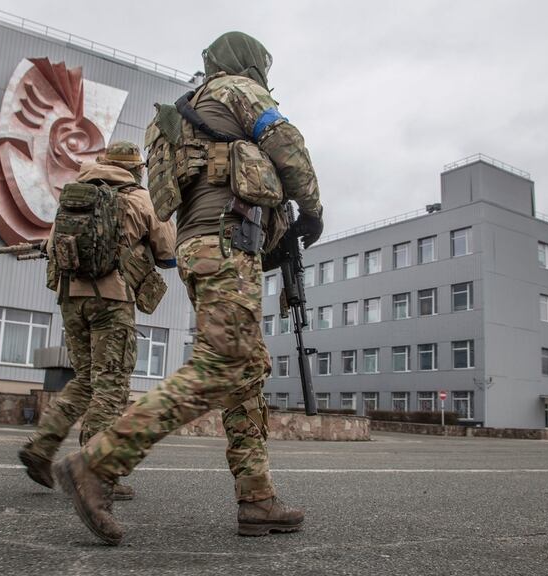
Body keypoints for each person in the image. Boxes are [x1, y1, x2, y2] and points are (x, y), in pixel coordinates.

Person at [53, 31, 324, 545]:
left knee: (244, 372)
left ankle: (257, 497)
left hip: (198, 248)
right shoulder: (237, 91)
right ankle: (99, 463)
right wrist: (312, 211)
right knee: (222, 363)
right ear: (248, 64)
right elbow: (289, 149)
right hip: (227, 242)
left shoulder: (176, 113)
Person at [18, 141, 176, 501]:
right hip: (111, 300)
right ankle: (95, 470)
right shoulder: (139, 198)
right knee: (112, 385)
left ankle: (41, 447)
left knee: (86, 379)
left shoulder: (74, 197)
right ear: (136, 169)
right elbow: (168, 254)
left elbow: (55, 245)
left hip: (70, 298)